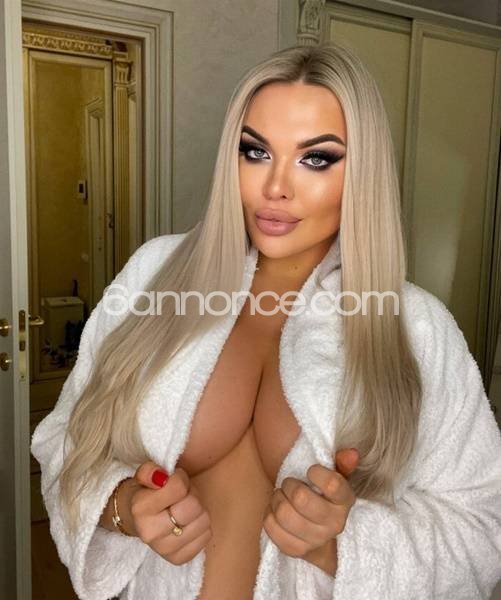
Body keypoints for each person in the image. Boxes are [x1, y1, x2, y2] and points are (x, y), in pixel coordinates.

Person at [31, 42, 501, 600]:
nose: (275, 186)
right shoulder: (154, 275)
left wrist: (345, 545)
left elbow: (484, 527)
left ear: (364, 173)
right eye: (255, 152)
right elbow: (65, 439)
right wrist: (122, 507)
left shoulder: (416, 328)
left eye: (316, 158)